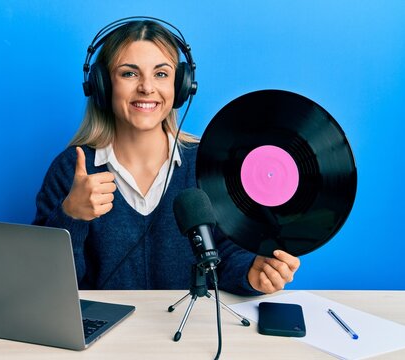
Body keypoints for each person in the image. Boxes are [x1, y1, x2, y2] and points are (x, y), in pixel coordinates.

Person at [32, 18, 300, 295]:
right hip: (105, 334)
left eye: (161, 74)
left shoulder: (206, 164)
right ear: (101, 86)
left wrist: (252, 271)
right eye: (129, 74)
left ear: (182, 86)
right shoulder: (71, 169)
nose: (147, 87)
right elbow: (48, 285)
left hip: (192, 329)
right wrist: (70, 216)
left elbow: (227, 252)